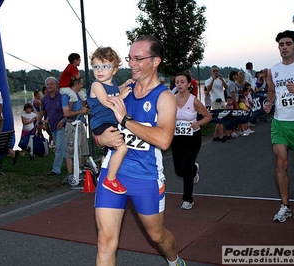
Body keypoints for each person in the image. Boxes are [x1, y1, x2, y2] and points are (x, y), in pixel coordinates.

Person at [94, 35, 186, 266]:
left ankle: (175, 261)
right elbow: (101, 126)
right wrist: (100, 138)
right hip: (112, 173)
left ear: (156, 61)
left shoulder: (164, 97)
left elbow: (164, 140)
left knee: (157, 236)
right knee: (105, 241)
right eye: (129, 58)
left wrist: (125, 121)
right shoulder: (122, 90)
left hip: (146, 176)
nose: (131, 63)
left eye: (138, 58)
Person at [263, 30, 294, 223]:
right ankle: (285, 206)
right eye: (281, 44)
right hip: (280, 122)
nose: (284, 47)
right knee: (281, 162)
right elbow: (272, 92)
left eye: (287, 43)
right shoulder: (273, 70)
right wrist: (269, 104)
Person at [87, 46, 132, 194]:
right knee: (122, 146)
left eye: (105, 66)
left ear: (114, 69)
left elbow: (113, 91)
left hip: (111, 122)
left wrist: (122, 86)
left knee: (110, 151)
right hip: (102, 123)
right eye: (96, 67)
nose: (100, 70)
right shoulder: (96, 85)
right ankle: (110, 179)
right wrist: (122, 95)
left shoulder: (110, 84)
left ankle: (103, 173)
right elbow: (107, 102)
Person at [172, 71, 212, 210]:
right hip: (176, 138)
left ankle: (187, 199)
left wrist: (198, 123)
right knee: (178, 170)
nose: (179, 84)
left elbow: (208, 116)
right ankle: (195, 169)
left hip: (192, 137)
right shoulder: (171, 99)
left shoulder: (194, 100)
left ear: (189, 84)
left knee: (187, 168)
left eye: (182, 82)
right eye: (177, 82)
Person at [61, 78, 90, 183]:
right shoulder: (67, 96)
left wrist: (84, 111)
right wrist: (80, 111)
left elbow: (80, 109)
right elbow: (66, 114)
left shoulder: (78, 95)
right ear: (76, 84)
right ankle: (70, 174)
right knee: (71, 151)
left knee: (80, 150)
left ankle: (79, 171)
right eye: (81, 83)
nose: (82, 85)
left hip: (80, 124)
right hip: (72, 126)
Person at [37, 77, 66, 176]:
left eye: (51, 84)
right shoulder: (45, 98)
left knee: (59, 148)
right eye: (48, 84)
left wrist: (63, 121)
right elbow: (42, 110)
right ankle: (75, 165)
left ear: (56, 85)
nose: (49, 86)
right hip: (52, 126)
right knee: (63, 148)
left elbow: (67, 111)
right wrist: (38, 121)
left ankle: (56, 170)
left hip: (62, 125)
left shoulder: (62, 96)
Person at [205, 65, 228, 141]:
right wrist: (213, 80)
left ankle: (215, 136)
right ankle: (222, 135)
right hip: (215, 101)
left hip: (222, 100)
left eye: (216, 71)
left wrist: (222, 80)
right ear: (211, 72)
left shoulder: (221, 79)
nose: (215, 72)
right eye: (214, 71)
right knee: (219, 119)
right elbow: (208, 90)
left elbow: (226, 87)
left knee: (222, 118)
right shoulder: (208, 80)